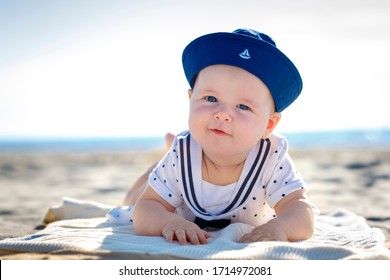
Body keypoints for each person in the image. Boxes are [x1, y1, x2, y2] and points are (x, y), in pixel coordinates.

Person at [119, 28, 315, 245]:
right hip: (177, 172)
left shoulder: (271, 157)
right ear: (191, 99)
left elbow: (300, 211)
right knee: (132, 201)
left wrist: (279, 227)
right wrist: (168, 222)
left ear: (268, 125)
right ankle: (156, 166)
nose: (222, 114)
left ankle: (161, 160)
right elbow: (146, 207)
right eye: (211, 98)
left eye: (243, 106)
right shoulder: (182, 154)